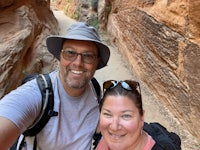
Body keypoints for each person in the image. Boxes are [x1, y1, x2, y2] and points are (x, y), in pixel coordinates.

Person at [0, 22, 110, 150]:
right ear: (60, 57)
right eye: (70, 53)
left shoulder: (95, 89)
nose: (78, 63)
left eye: (88, 56)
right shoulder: (37, 94)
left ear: (97, 62)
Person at [96, 80, 158, 150]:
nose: (114, 127)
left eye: (126, 116)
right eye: (108, 114)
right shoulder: (103, 139)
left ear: (141, 117)